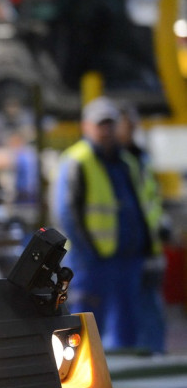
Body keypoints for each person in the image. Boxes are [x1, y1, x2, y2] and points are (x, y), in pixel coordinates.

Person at [52, 96, 160, 352]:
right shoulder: (77, 160)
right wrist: (86, 251)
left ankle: (124, 373)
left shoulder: (127, 162)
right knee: (87, 323)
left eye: (110, 123)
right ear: (86, 126)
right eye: (100, 124)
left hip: (127, 257)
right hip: (91, 260)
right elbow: (65, 212)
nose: (106, 130)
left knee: (127, 322)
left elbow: (142, 204)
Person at [117, 102, 168, 354]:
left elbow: (150, 201)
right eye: (127, 122)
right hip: (121, 251)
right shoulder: (112, 161)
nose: (131, 127)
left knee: (150, 306)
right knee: (127, 312)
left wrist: (160, 227)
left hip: (147, 246)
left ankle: (155, 354)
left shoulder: (139, 157)